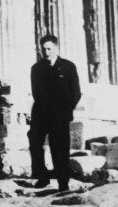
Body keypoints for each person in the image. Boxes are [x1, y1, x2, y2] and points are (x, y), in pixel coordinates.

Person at [29, 35, 81, 191]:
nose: (46, 52)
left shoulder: (68, 66)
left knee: (60, 148)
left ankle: (63, 182)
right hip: (41, 113)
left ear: (57, 48)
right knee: (34, 140)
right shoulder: (36, 68)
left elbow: (76, 92)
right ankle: (42, 176)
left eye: (49, 49)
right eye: (43, 49)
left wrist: (65, 110)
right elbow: (36, 92)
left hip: (60, 114)